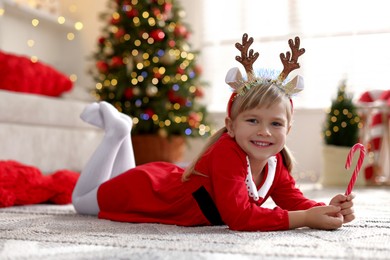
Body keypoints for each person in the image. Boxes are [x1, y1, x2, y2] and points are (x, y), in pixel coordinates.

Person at [72, 34, 355, 231]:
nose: (265, 132)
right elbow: (240, 218)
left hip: (156, 182)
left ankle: (122, 133)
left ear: (288, 129)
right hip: (146, 191)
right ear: (231, 126)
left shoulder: (274, 162)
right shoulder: (226, 152)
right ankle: (115, 135)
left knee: (111, 185)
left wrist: (326, 209)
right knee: (82, 202)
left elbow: (293, 200)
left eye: (276, 124)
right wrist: (304, 218)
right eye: (253, 120)